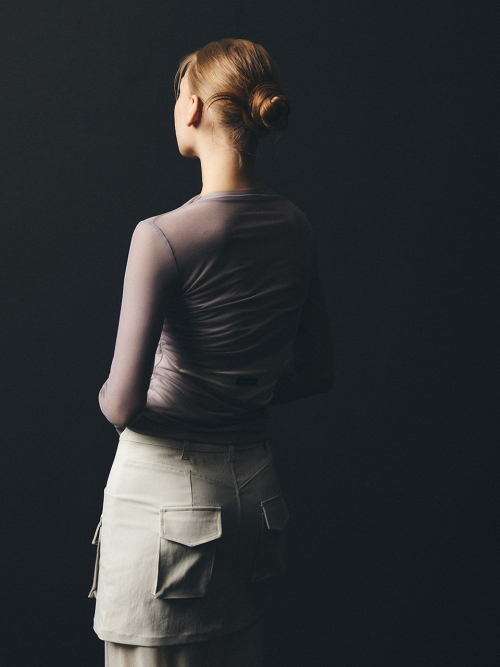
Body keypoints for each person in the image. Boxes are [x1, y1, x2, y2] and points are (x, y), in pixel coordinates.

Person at [89, 38, 333, 667]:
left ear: (193, 107)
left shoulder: (163, 237)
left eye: (178, 94)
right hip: (255, 499)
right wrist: (234, 396)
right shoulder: (296, 226)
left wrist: (121, 392)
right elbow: (314, 371)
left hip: (165, 507)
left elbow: (121, 405)